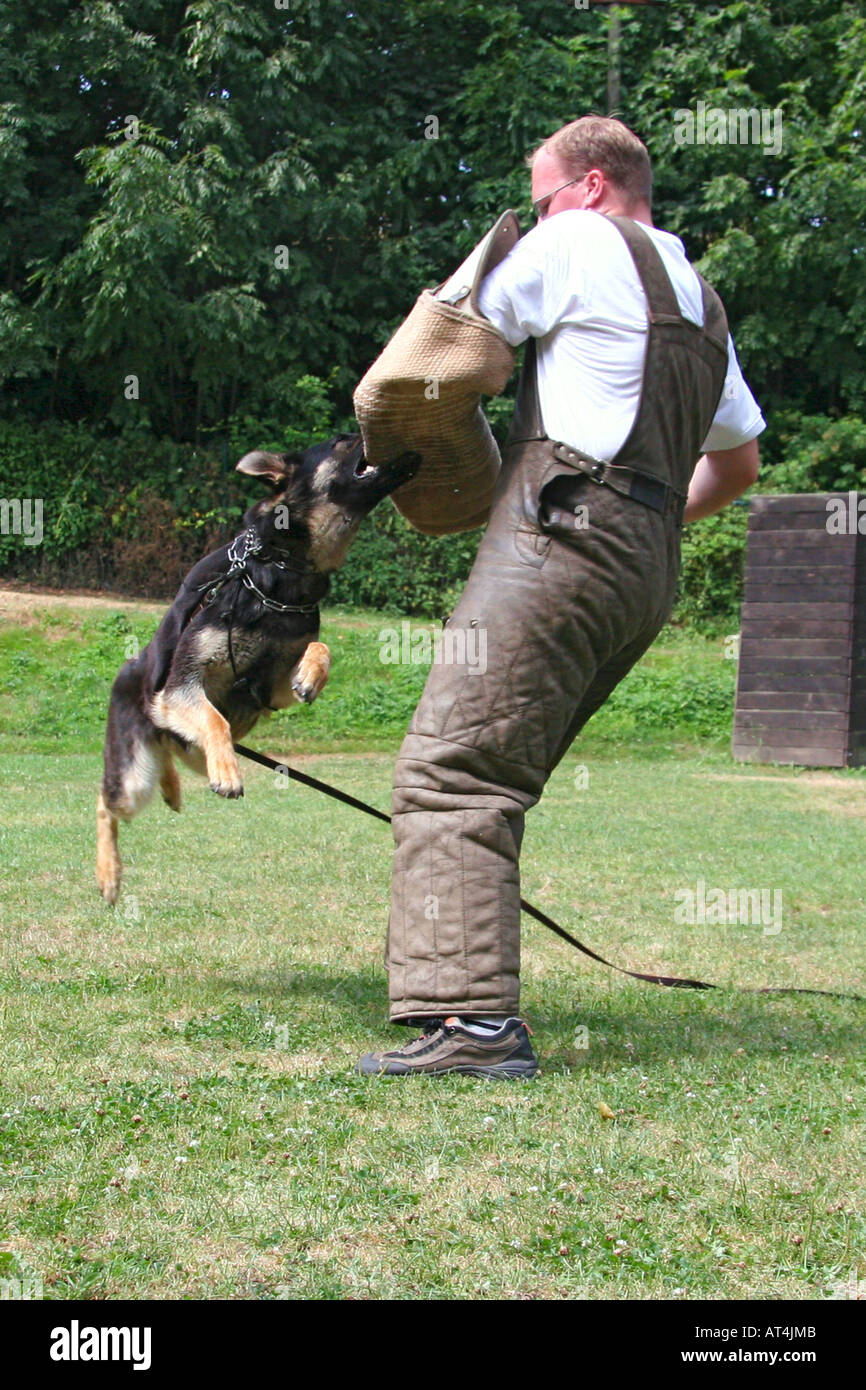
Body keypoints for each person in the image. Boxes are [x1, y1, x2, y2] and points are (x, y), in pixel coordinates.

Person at [356, 115, 765, 1079]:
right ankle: (472, 1004)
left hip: (562, 539)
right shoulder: (698, 299)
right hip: (644, 568)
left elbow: (443, 352)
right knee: (496, 771)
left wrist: (437, 472)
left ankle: (474, 1028)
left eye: (537, 197)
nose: (533, 215)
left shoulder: (574, 241)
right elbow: (739, 463)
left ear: (585, 188)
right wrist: (640, 530)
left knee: (455, 774)